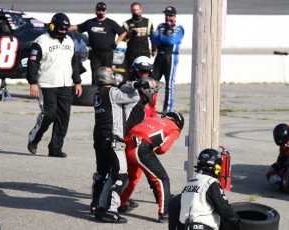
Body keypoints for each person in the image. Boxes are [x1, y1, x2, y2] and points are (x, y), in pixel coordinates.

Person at [91, 66, 153, 223]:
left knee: (101, 173)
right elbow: (133, 98)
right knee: (121, 176)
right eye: (112, 76)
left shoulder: (98, 94)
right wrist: (137, 86)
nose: (115, 78)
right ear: (107, 77)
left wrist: (133, 84)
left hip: (99, 139)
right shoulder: (112, 93)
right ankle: (111, 210)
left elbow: (123, 89)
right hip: (113, 140)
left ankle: (97, 206)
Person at [27, 13, 82, 158]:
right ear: (53, 26)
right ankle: (34, 138)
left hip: (66, 85)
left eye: (65, 29)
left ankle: (55, 148)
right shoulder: (41, 41)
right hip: (47, 85)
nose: (63, 31)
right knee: (49, 115)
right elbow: (32, 63)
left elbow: (74, 63)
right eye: (60, 28)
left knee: (63, 117)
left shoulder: (69, 41)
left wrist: (77, 82)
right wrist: (33, 82)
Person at [120, 112, 184, 223]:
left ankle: (120, 203)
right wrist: (155, 149)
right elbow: (163, 149)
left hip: (127, 143)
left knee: (132, 179)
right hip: (140, 148)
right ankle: (165, 213)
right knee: (162, 179)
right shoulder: (175, 128)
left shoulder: (153, 118)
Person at [170, 148, 241, 230]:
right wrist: (237, 223)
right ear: (216, 167)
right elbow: (224, 208)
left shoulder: (189, 182)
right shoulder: (211, 182)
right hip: (204, 226)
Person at [69, 2, 127, 84]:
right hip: (94, 54)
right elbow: (76, 27)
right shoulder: (90, 22)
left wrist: (116, 43)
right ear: (96, 10)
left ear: (105, 11)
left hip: (107, 53)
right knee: (95, 74)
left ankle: (108, 92)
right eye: (99, 10)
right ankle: (94, 93)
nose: (101, 12)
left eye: (103, 10)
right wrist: (63, 26)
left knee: (107, 74)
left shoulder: (111, 23)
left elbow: (123, 32)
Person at [151, 6, 184, 114]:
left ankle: (167, 109)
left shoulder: (179, 28)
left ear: (174, 16)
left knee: (169, 84)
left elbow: (171, 41)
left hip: (171, 56)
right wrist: (163, 37)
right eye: (166, 15)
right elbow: (153, 38)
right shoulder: (160, 26)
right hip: (159, 56)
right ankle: (150, 106)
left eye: (170, 15)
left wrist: (161, 37)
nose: (168, 17)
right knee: (152, 82)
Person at [122, 2, 157, 74]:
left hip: (145, 53)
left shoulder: (147, 22)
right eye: (134, 10)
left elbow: (153, 37)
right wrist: (131, 34)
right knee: (132, 74)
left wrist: (154, 49)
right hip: (131, 54)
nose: (136, 12)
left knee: (146, 73)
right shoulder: (126, 23)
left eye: (137, 10)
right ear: (131, 11)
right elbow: (123, 39)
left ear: (141, 10)